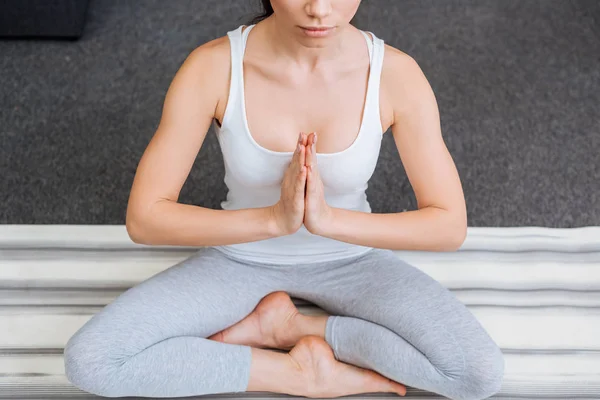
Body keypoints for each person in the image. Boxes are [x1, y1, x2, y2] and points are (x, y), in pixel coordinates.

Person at [63, 1, 504, 399]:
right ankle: (294, 372)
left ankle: (291, 328)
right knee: (92, 361)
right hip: (237, 260)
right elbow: (145, 218)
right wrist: (274, 220)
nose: (318, 9)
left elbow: (448, 225)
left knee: (477, 373)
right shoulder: (213, 65)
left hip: (355, 262)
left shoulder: (396, 74)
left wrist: (327, 220)